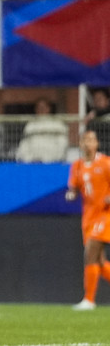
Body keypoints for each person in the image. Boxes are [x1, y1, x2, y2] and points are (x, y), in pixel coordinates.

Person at [66, 130, 110, 310]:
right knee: (99, 262)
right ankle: (89, 300)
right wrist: (71, 194)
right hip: (88, 218)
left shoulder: (106, 163)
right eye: (84, 140)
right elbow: (74, 188)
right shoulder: (77, 166)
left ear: (97, 144)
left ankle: (89, 300)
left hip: (105, 215)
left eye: (91, 140)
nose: (88, 143)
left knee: (90, 253)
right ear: (80, 144)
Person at [16, 98, 69, 163]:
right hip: (33, 163)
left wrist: (54, 159)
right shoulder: (30, 125)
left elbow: (62, 142)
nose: (41, 109)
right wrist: (29, 159)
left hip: (53, 162)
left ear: (49, 108)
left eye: (43, 107)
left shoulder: (57, 124)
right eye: (38, 107)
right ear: (35, 109)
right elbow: (24, 144)